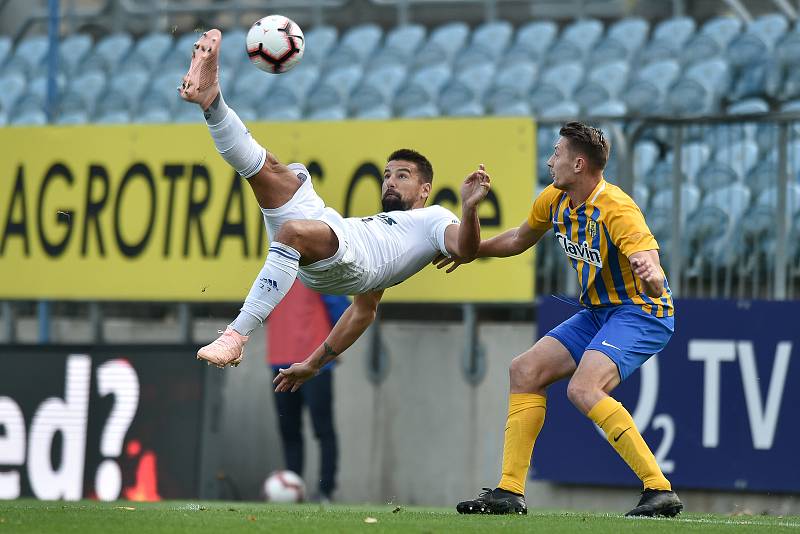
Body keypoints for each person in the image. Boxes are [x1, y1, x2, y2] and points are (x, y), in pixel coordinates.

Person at [178, 30, 491, 391]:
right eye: (387, 175)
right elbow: (363, 311)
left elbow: (469, 249)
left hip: (350, 255)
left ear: (425, 188)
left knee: (292, 231)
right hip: (336, 228)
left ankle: (236, 335)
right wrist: (313, 363)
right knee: (272, 172)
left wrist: (469, 210)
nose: (390, 181)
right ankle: (212, 100)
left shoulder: (435, 218)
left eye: (402, 176)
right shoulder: (389, 228)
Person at [441, 122, 682, 517]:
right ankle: (509, 492)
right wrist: (470, 251)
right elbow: (519, 239)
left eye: (557, 153)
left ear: (579, 164)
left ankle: (658, 489)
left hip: (643, 311)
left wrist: (653, 277)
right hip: (600, 312)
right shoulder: (553, 199)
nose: (550, 160)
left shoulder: (617, 209)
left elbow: (653, 272)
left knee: (583, 388)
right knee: (525, 370)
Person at [268, 280, 349, 502]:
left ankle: (325, 491)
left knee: (322, 429)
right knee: (289, 430)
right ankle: (293, 490)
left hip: (314, 364)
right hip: (280, 360)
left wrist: (334, 348)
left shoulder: (317, 266)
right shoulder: (273, 269)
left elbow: (344, 311)